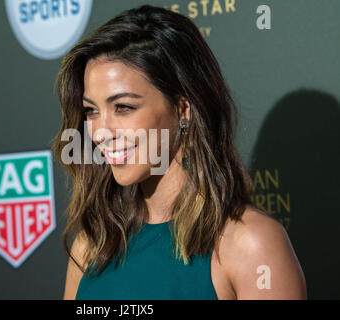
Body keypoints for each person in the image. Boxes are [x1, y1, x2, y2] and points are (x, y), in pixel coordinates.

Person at [52, 5, 306, 300]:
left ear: (183, 109)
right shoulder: (92, 246)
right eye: (91, 111)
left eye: (123, 107)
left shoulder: (250, 244)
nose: (100, 132)